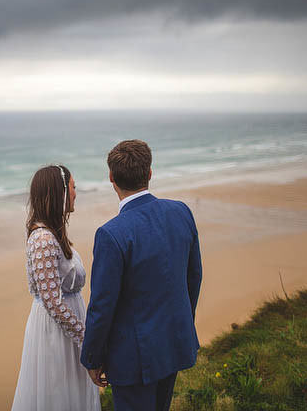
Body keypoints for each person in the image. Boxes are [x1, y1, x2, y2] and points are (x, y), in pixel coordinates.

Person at [81, 140, 203, 411]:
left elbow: (102, 305)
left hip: (134, 359)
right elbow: (193, 277)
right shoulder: (181, 211)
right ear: (149, 173)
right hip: (173, 343)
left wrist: (92, 358)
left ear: (111, 178)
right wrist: (180, 326)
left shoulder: (111, 233)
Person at [11, 164, 102, 411]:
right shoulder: (42, 239)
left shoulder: (54, 233)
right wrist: (86, 340)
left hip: (68, 325)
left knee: (73, 393)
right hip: (56, 333)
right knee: (59, 394)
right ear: (59, 192)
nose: (75, 193)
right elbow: (52, 302)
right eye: (73, 187)